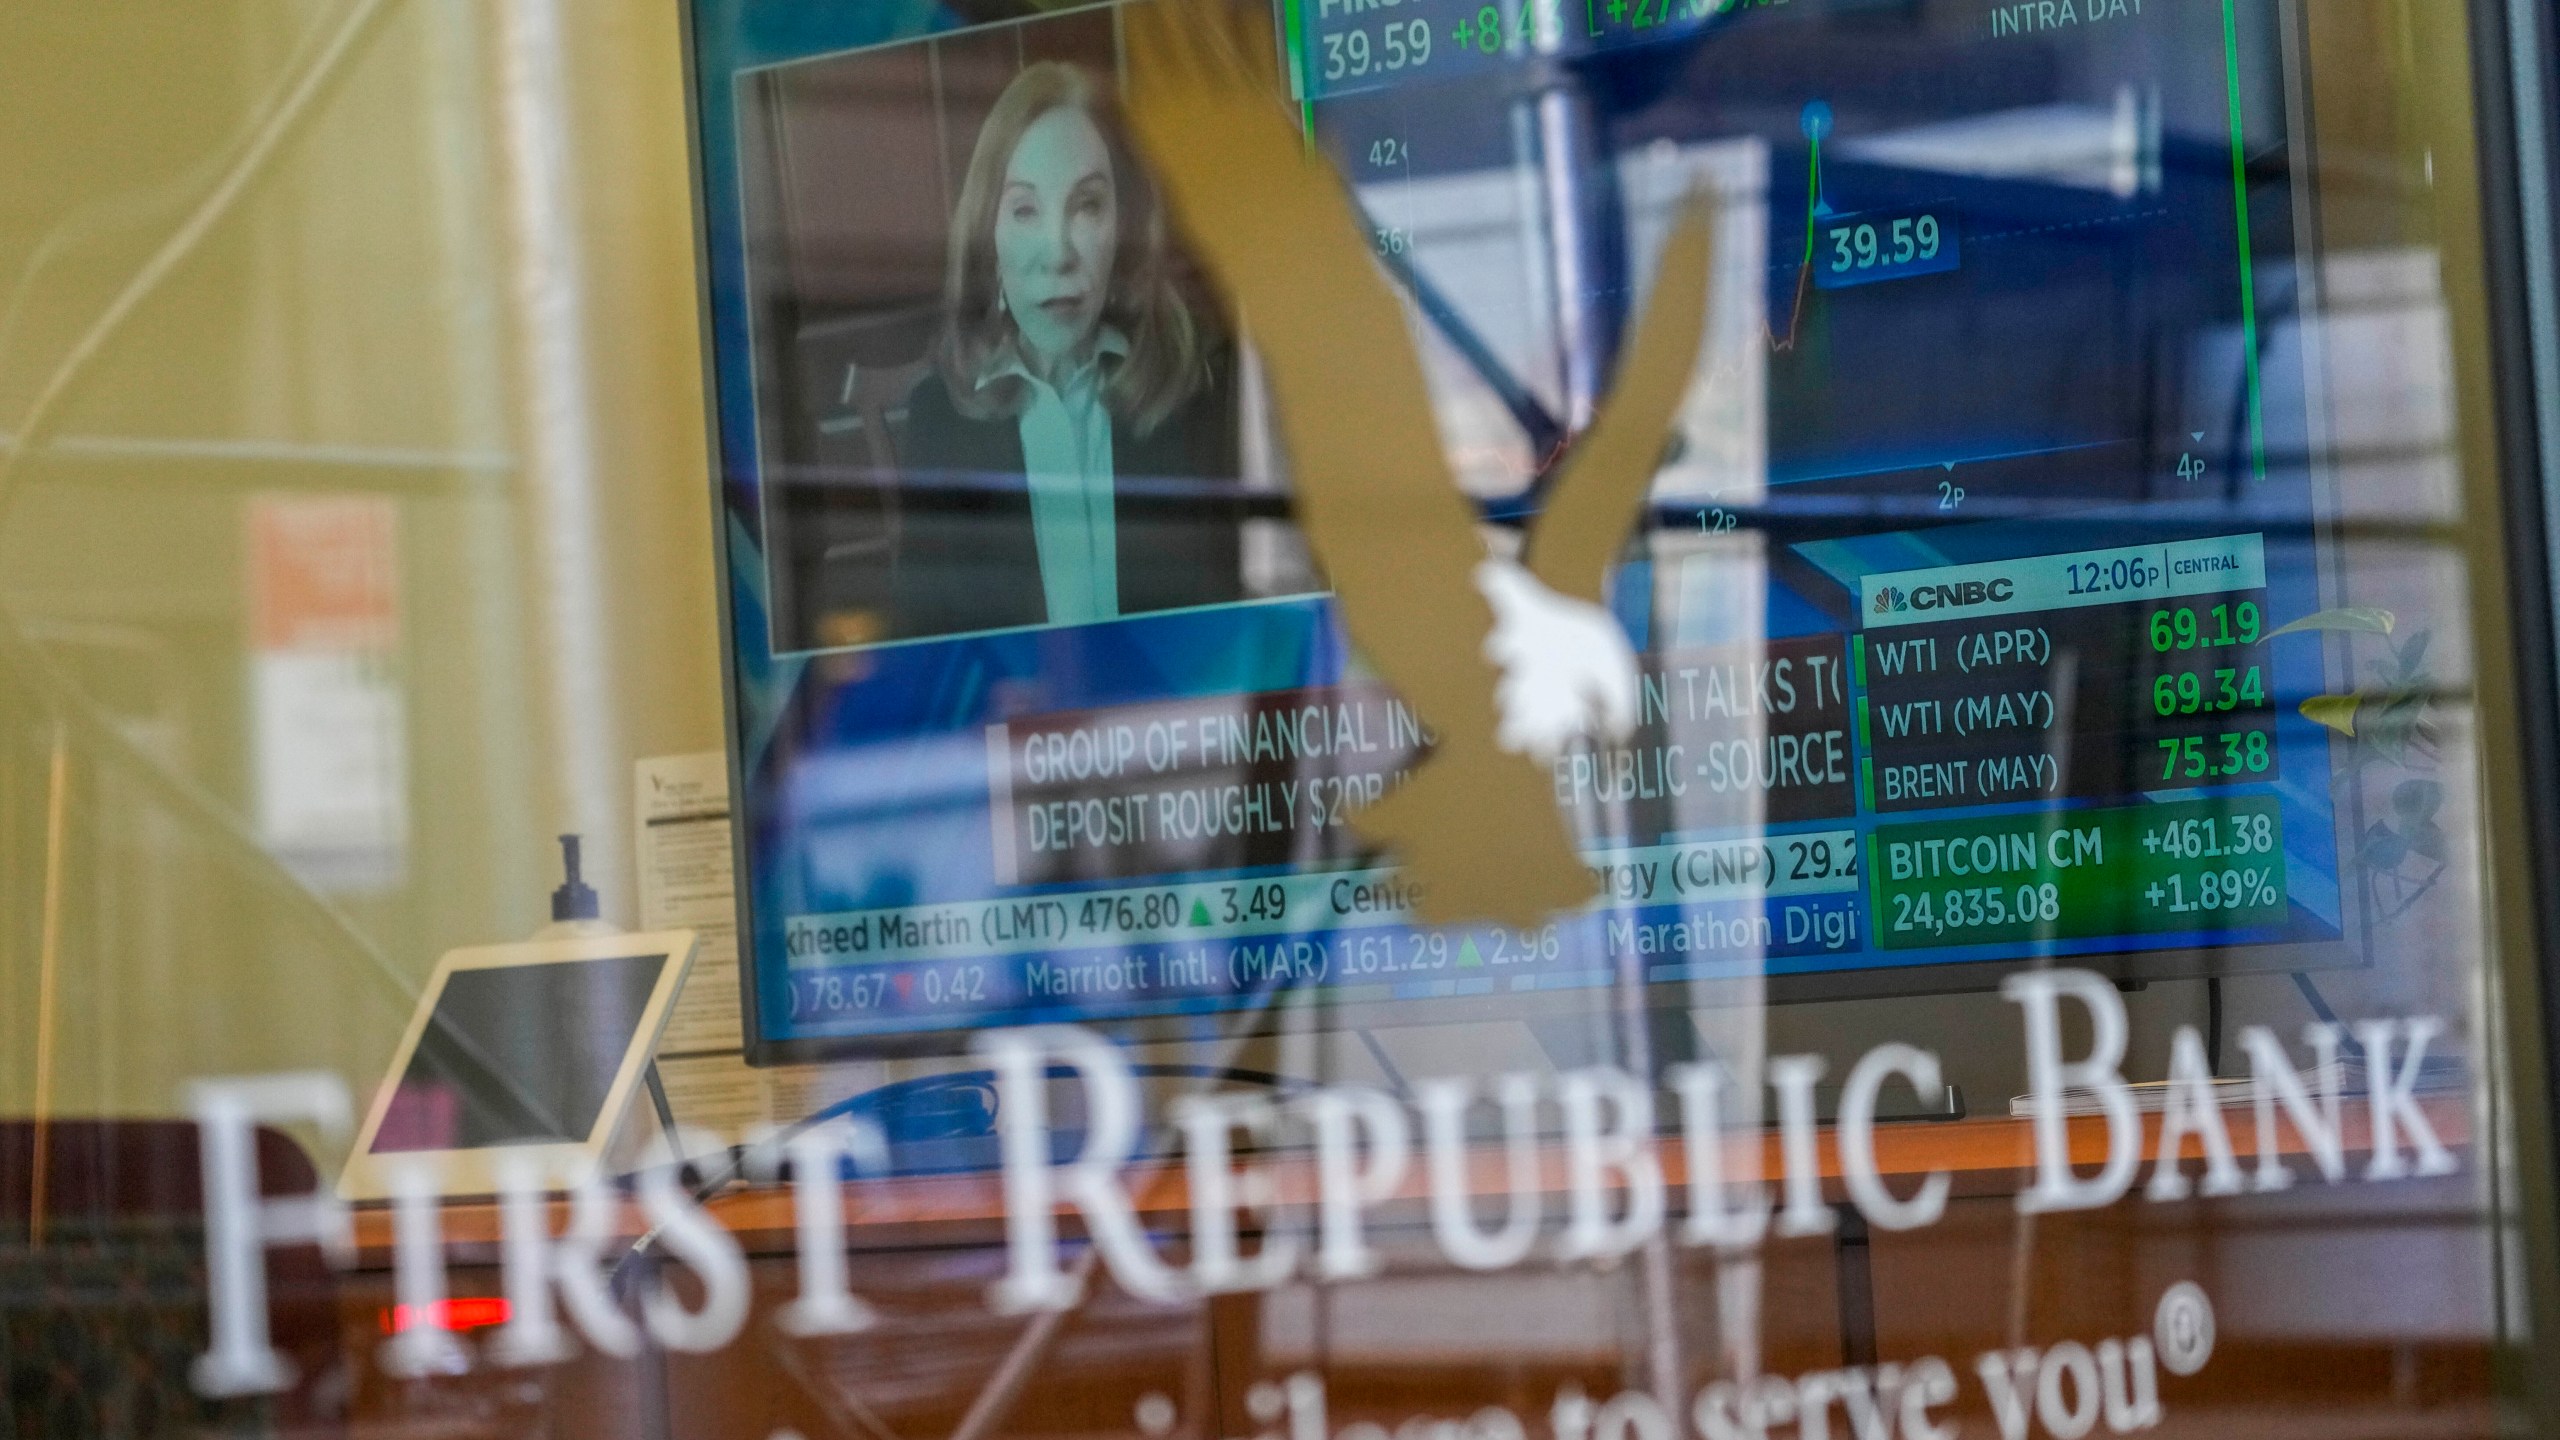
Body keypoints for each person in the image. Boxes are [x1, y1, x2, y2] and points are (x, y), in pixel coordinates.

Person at [885, 60, 1241, 640]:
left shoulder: (1196, 394)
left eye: (1088, 206)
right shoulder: (939, 419)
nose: (1058, 252)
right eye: (1026, 209)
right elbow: (923, 655)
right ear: (989, 237)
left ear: (1122, 227)